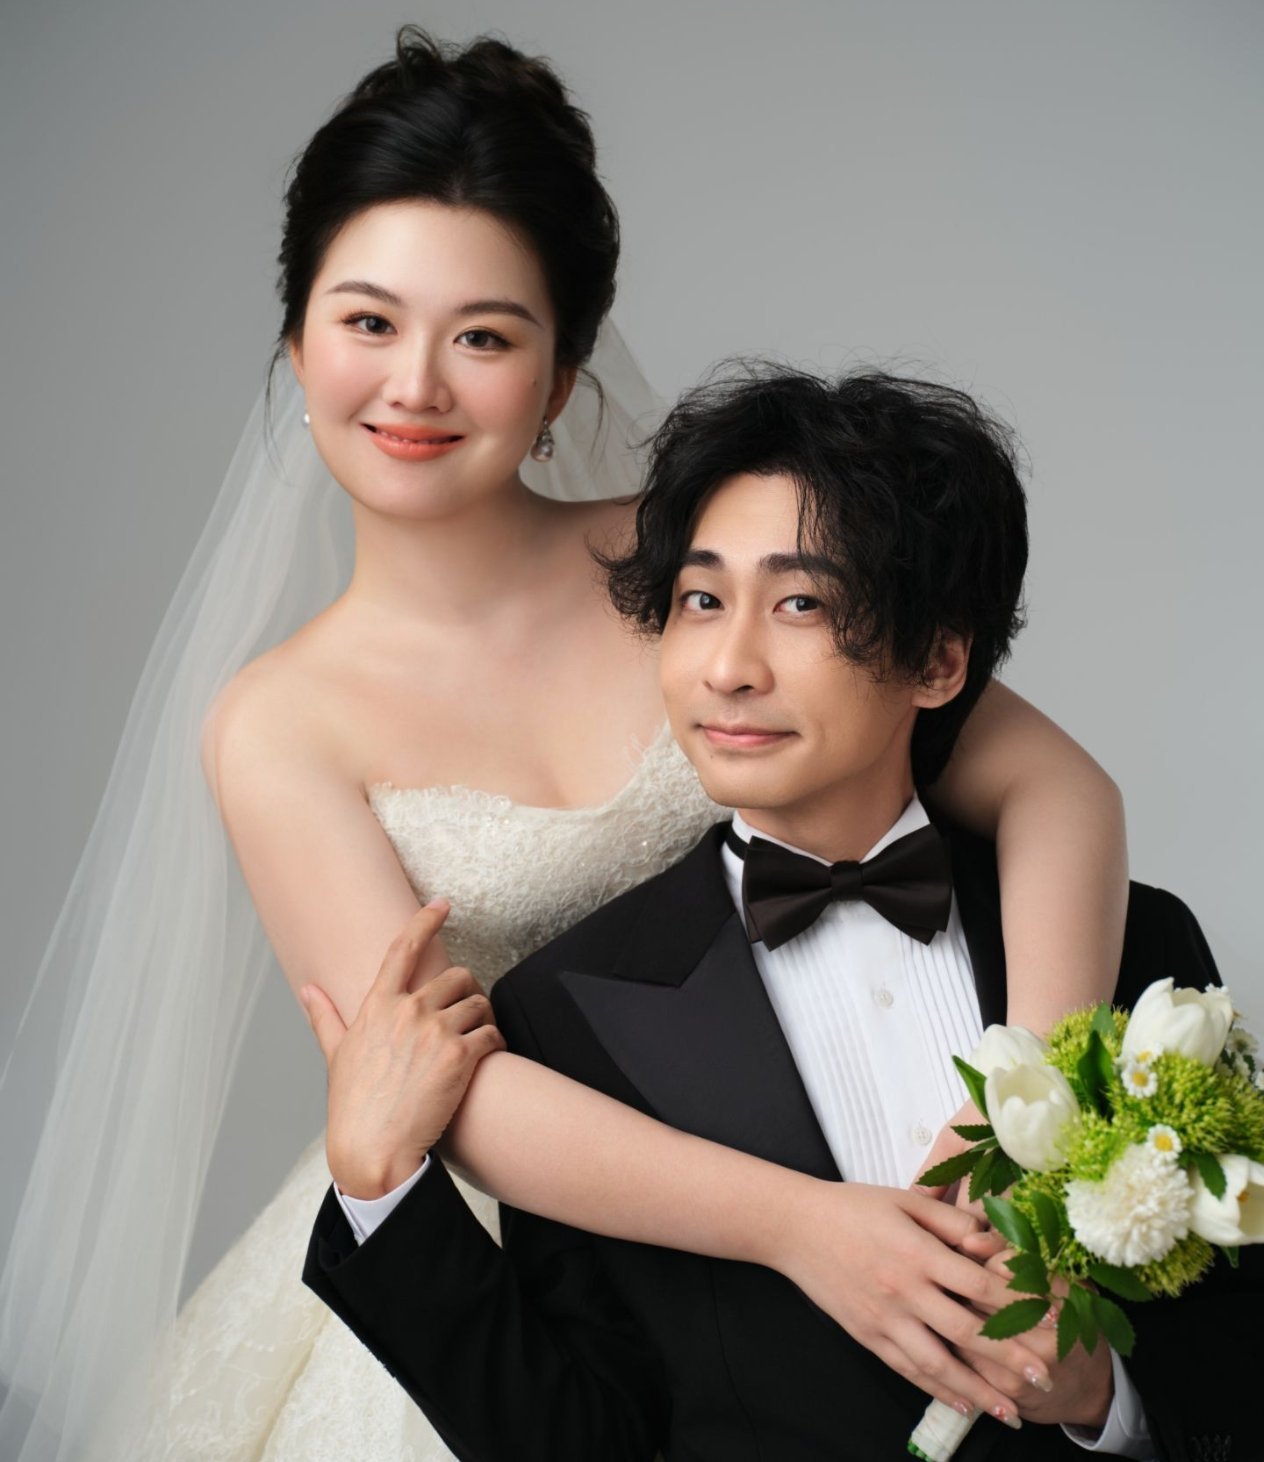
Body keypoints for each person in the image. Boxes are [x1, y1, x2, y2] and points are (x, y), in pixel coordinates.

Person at [0, 30, 1128, 1462]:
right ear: (295, 343)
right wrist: (804, 1226)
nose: (415, 385)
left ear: (560, 377)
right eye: (366, 321)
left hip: (837, 1150)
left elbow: (1057, 788)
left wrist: (1019, 1114)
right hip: (532, 1269)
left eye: (482, 336)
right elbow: (446, 1081)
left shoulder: (704, 573)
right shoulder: (276, 723)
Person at [302, 366, 1252, 1461]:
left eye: (802, 603)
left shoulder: (1137, 949)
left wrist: (1103, 1398)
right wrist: (379, 1190)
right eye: (700, 601)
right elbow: (575, 1438)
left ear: (939, 662)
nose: (728, 667)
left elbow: (1237, 1363)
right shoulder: (569, 1020)